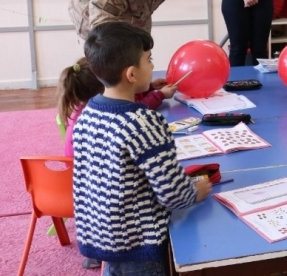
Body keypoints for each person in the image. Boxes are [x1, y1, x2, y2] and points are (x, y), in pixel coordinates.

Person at [73, 22, 211, 274]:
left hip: (104, 236)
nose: (152, 66)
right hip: (139, 243)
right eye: (149, 60)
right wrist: (195, 191)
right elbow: (173, 194)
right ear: (132, 74)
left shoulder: (88, 112)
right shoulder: (143, 123)